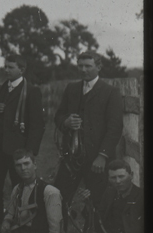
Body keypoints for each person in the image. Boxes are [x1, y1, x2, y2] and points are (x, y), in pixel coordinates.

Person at [53, 51, 124, 216]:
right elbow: (58, 116)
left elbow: (115, 127)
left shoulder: (110, 92)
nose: (83, 70)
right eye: (80, 66)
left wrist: (102, 156)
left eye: (88, 66)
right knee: (58, 195)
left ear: (98, 67)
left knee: (96, 202)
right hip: (71, 156)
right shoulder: (71, 89)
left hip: (96, 159)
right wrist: (66, 122)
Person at [0, 54, 45, 225]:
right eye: (5, 67)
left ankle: (22, 221)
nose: (6, 70)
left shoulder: (31, 91)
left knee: (21, 187)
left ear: (22, 69)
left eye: (11, 67)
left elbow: (38, 124)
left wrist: (30, 152)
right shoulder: (1, 89)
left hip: (19, 150)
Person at [96, 159, 144, 233]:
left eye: (121, 176)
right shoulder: (109, 193)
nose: (117, 181)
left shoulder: (141, 197)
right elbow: (100, 218)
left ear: (131, 175)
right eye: (113, 178)